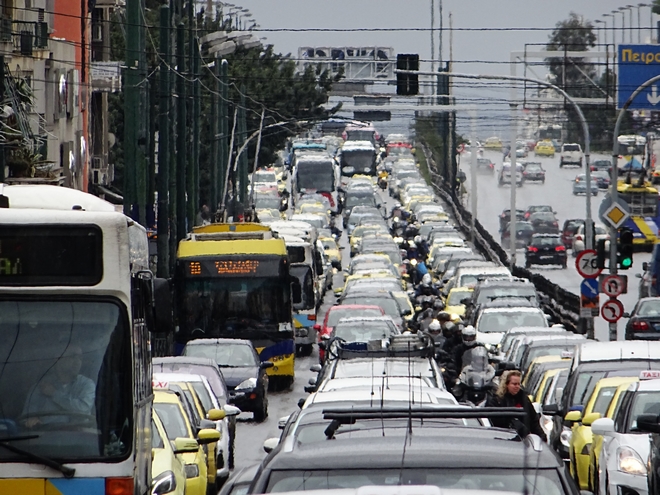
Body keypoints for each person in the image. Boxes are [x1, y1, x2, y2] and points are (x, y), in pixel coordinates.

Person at [22, 345, 95, 427]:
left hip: (78, 437)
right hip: (47, 436)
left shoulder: (86, 385)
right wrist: (32, 421)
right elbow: (28, 418)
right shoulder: (40, 387)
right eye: (73, 356)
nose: (77, 362)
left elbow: (83, 410)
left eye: (80, 358)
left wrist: (54, 393)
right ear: (58, 358)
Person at [486, 370, 547, 441]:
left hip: (523, 439)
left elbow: (533, 421)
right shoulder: (497, 401)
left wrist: (542, 437)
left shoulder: (524, 399)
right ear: (506, 384)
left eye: (519, 384)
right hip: (502, 439)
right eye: (514, 384)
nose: (517, 386)